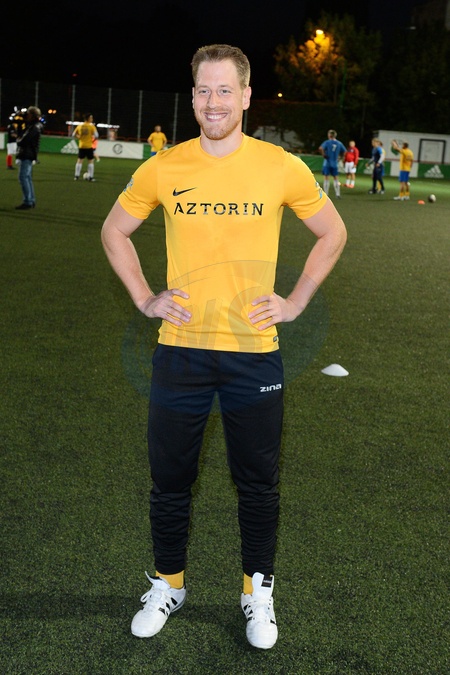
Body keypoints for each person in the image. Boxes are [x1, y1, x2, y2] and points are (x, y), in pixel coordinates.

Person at [101, 44, 347, 650]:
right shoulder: (165, 166)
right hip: (179, 350)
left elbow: (332, 231)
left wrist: (296, 301)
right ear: (192, 98)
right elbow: (115, 230)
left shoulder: (279, 166)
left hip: (253, 354)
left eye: (224, 91)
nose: (213, 102)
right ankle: (169, 584)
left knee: (257, 483)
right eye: (203, 91)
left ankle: (256, 593)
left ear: (245, 96)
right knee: (170, 480)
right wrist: (144, 297)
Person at [15, 106, 42, 210]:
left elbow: (23, 141)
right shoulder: (35, 125)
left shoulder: (34, 127)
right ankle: (31, 200)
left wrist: (18, 140)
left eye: (29, 114)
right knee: (28, 178)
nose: (27, 115)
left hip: (27, 154)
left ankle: (28, 201)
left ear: (33, 115)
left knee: (23, 177)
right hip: (29, 154)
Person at [319, 129, 346, 198]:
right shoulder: (339, 143)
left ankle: (326, 194)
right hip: (335, 163)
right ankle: (338, 194)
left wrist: (323, 155)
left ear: (329, 135)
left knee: (326, 178)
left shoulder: (327, 142)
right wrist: (341, 157)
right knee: (336, 178)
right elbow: (345, 151)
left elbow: (321, 148)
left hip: (327, 163)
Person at [73, 113, 98, 181]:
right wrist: (92, 139)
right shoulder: (92, 126)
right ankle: (91, 177)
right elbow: (96, 135)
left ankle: (76, 176)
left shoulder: (80, 125)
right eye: (91, 118)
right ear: (89, 118)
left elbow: (73, 134)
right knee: (90, 161)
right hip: (89, 146)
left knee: (79, 161)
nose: (92, 119)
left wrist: (79, 137)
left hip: (81, 146)